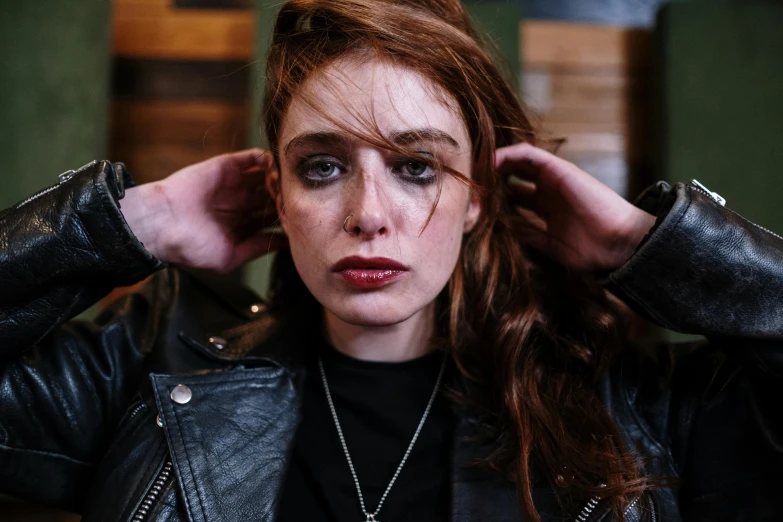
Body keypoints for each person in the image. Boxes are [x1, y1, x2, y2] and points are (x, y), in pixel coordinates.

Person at [1, 0, 781, 521]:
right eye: (321, 167)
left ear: (476, 195)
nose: (368, 214)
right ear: (275, 189)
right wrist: (129, 223)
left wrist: (646, 248)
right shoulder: (141, 368)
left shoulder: (633, 406)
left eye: (417, 167)